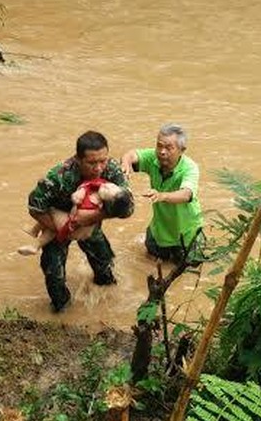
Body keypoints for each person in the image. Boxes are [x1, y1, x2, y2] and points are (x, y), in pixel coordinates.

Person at [27, 131, 134, 312]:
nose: (99, 168)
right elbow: (35, 207)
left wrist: (92, 218)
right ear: (78, 159)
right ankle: (62, 313)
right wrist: (64, 229)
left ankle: (107, 308)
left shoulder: (112, 169)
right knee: (54, 275)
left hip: (90, 224)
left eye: (103, 161)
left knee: (105, 269)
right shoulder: (58, 176)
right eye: (92, 163)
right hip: (57, 223)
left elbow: (128, 208)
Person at [121, 123, 205, 265]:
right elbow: (131, 154)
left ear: (182, 150)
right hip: (159, 232)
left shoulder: (190, 168)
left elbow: (186, 195)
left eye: (168, 148)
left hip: (186, 235)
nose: (162, 152)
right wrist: (125, 165)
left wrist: (161, 196)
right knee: (148, 265)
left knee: (188, 272)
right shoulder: (153, 158)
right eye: (159, 146)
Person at [19, 179, 133, 255]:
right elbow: (92, 183)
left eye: (110, 190)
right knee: (54, 219)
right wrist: (82, 190)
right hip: (75, 222)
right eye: (111, 185)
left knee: (51, 214)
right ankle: (34, 231)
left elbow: (74, 221)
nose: (108, 186)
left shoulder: (91, 209)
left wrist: (62, 233)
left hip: (75, 227)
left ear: (103, 205)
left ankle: (36, 245)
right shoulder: (102, 187)